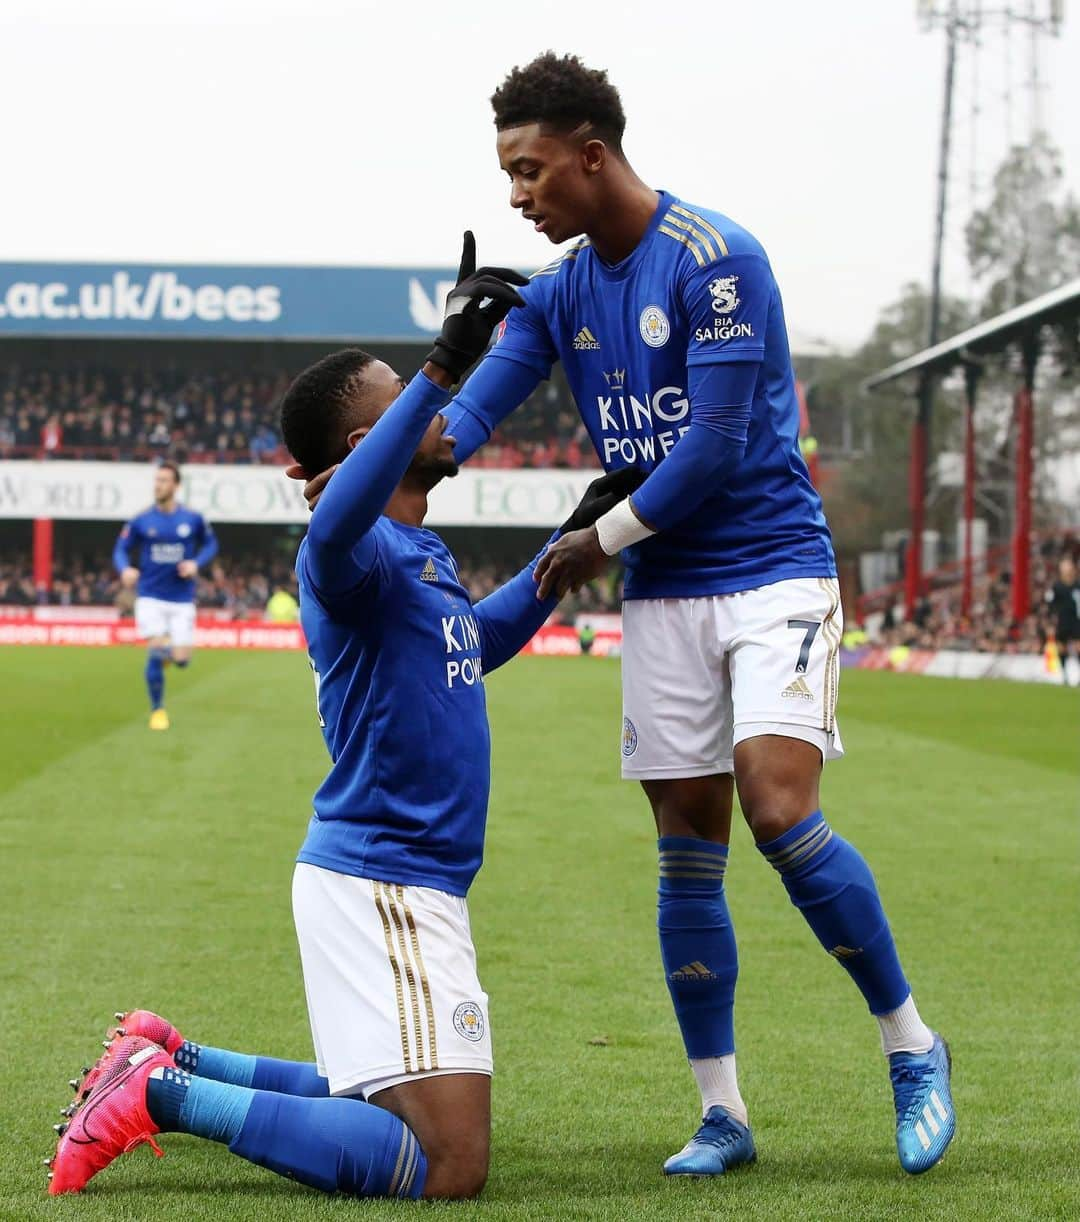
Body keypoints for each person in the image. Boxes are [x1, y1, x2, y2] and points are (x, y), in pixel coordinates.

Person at [345, 53, 949, 1177]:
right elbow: (451, 444)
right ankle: (722, 1112)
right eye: (506, 175)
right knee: (686, 853)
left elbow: (713, 449)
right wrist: (439, 371)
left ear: (590, 152)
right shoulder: (560, 291)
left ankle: (911, 1042)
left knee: (777, 807)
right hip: (663, 588)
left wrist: (593, 545)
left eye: (528, 171)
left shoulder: (719, 261)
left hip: (770, 566)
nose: (516, 195)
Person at [47, 237, 639, 1201]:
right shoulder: (348, 556)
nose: (441, 409)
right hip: (385, 878)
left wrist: (565, 549)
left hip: (403, 877)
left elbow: (471, 644)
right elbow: (330, 525)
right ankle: (160, 1096)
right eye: (413, 396)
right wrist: (446, 361)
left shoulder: (414, 548)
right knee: (446, 1161)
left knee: (372, 1100)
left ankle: (170, 1057)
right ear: (369, 449)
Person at [112, 461, 217, 729]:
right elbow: (120, 549)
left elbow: (211, 544)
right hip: (150, 596)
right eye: (156, 480)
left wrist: (196, 563)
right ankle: (157, 710)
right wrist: (125, 569)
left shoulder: (192, 519)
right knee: (157, 648)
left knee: (181, 660)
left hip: (182, 598)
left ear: (176, 486)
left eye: (164, 480)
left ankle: (168, 656)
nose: (157, 485)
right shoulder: (141, 520)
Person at [1044, 555, 1080, 686]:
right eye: (1065, 566)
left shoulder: (1077, 585)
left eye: (1069, 565)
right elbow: (1050, 606)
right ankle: (1064, 675)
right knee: (1062, 648)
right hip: (1062, 621)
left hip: (1077, 621)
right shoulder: (1057, 586)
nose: (1067, 568)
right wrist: (1051, 623)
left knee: (1078, 647)